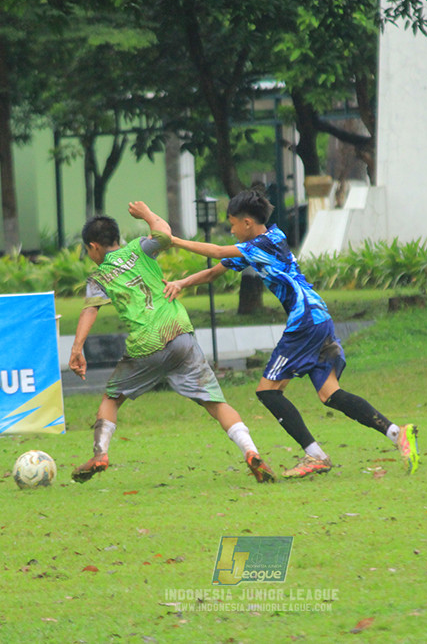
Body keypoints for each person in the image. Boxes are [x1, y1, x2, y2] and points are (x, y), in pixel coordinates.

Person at [164, 188, 419, 478]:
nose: (231, 230)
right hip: (319, 317)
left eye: (233, 224)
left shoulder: (263, 243)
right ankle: (398, 435)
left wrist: (173, 240)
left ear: (247, 223)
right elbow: (215, 270)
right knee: (330, 394)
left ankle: (316, 455)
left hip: (304, 321)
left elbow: (219, 252)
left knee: (267, 391)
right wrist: (181, 283)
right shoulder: (270, 240)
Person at [68, 201, 275, 484]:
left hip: (145, 344)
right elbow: (165, 235)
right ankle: (251, 451)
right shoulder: (140, 247)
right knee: (216, 403)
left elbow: (90, 309)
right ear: (116, 238)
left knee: (111, 398)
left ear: (93, 247)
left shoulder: (99, 276)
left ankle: (100, 454)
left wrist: (77, 348)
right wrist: (147, 214)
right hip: (178, 333)